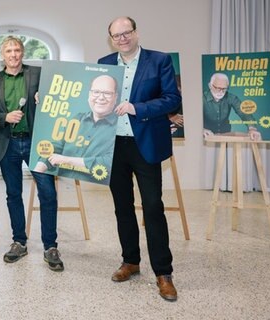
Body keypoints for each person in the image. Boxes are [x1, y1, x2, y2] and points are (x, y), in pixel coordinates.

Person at [98, 17, 182, 301]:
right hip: (113, 146)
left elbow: (172, 99)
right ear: (110, 39)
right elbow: (92, 95)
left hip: (145, 144)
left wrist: (137, 107)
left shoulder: (159, 61)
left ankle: (163, 272)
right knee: (122, 207)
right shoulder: (105, 61)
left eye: (126, 33)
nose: (122, 39)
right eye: (116, 35)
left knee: (152, 207)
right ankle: (130, 261)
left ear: (135, 33)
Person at [0, 36, 64, 272]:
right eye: (9, 50)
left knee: (48, 193)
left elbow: (60, 99)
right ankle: (19, 241)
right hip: (7, 143)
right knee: (13, 194)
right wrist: (4, 117)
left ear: (23, 52)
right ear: (3, 55)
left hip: (36, 143)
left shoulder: (40, 74)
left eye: (17, 50)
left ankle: (51, 246)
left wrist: (47, 98)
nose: (13, 54)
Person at [33, 74, 118, 184]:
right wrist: (39, 169)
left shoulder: (119, 127)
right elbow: (57, 146)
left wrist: (66, 160)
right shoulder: (77, 119)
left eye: (107, 93)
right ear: (89, 94)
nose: (101, 97)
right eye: (96, 92)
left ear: (115, 97)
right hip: (65, 183)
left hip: (94, 188)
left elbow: (109, 162)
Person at [203, 72, 261, 140]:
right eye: (218, 88)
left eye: (224, 89)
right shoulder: (201, 98)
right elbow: (193, 118)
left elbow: (244, 113)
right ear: (210, 86)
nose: (221, 92)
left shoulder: (231, 97)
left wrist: (252, 128)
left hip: (225, 135)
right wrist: (201, 129)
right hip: (206, 137)